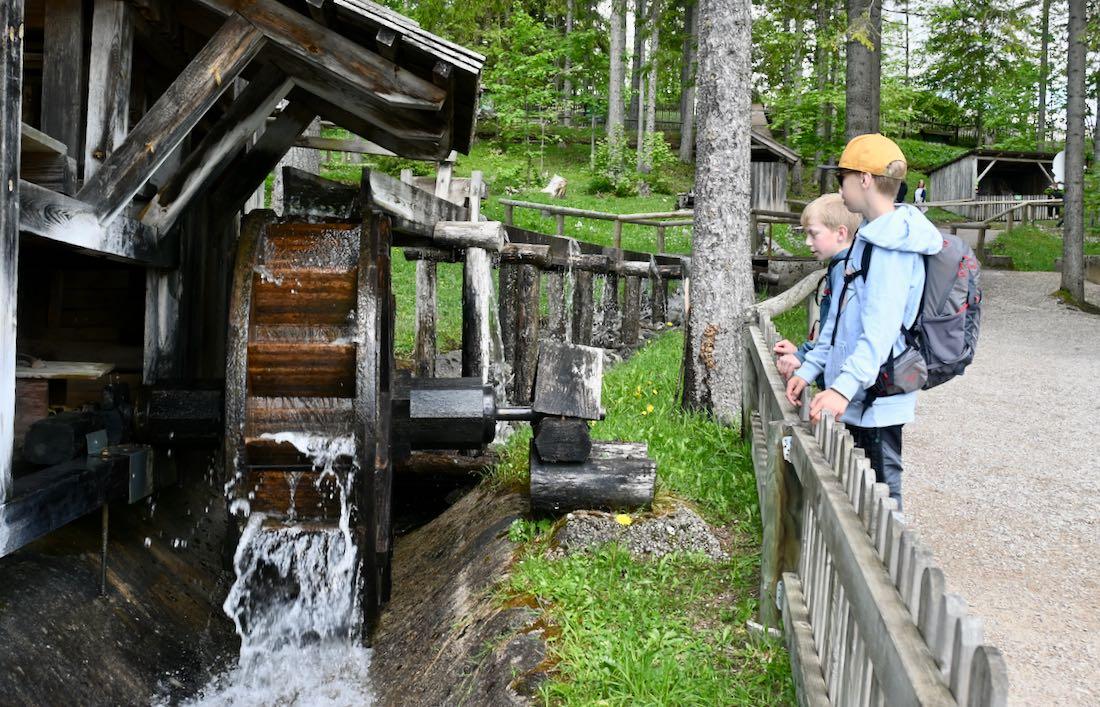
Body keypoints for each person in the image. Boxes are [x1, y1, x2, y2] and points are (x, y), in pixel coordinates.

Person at [785, 134, 943, 508]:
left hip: (879, 400)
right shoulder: (866, 240)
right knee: (855, 498)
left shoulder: (892, 248)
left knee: (882, 505)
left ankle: (888, 569)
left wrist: (842, 388)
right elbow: (839, 320)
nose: (839, 189)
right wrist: (810, 369)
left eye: (842, 178)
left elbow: (880, 332)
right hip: (858, 394)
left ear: (865, 179)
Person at [772, 193, 862, 384]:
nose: (807, 242)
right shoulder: (846, 265)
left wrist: (803, 356)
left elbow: (839, 332)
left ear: (841, 233)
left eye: (814, 233)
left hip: (844, 385)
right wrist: (801, 352)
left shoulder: (845, 272)